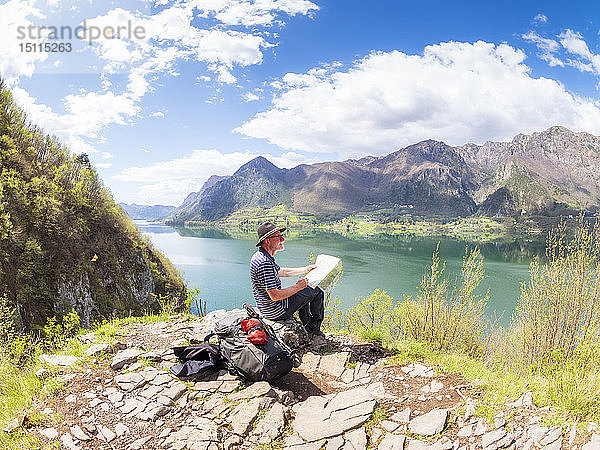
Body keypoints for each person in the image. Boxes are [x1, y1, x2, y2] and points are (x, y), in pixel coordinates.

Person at [249, 222, 325, 337]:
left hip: (266, 308)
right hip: (276, 310)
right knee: (317, 290)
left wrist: (305, 269)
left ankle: (307, 325)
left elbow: (282, 272)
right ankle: (313, 328)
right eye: (278, 237)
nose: (283, 239)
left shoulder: (261, 256)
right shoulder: (264, 263)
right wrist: (298, 287)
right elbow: (275, 296)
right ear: (267, 241)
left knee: (303, 292)